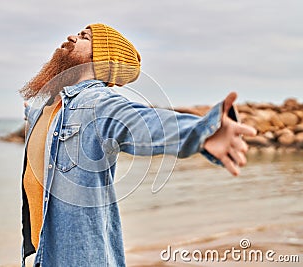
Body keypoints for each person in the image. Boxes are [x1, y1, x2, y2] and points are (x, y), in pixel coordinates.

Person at [19, 23, 256, 267]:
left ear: (102, 55)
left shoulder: (98, 104)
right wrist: (34, 116)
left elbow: (142, 122)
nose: (71, 36)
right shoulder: (47, 107)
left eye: (84, 37)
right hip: (39, 256)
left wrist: (203, 134)